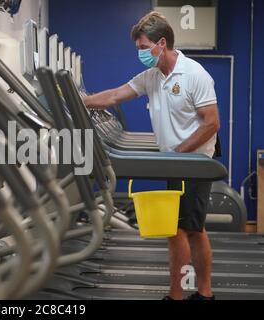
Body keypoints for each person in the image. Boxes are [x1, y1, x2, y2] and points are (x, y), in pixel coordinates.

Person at [83, 11, 220, 300]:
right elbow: (114, 95)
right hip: (175, 164)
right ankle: (199, 294)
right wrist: (77, 100)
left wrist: (180, 155)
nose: (141, 54)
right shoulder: (152, 76)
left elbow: (212, 123)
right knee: (189, 229)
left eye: (144, 48)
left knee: (184, 230)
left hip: (194, 164)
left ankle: (181, 294)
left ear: (161, 43)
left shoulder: (195, 74)